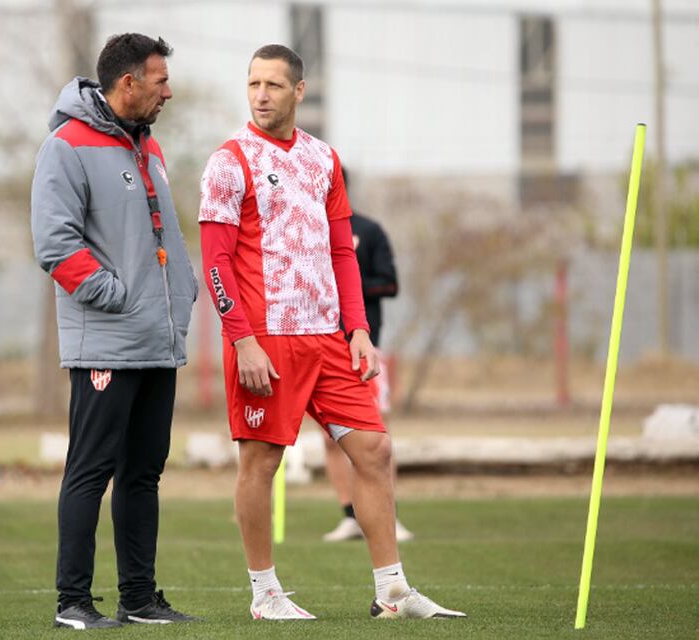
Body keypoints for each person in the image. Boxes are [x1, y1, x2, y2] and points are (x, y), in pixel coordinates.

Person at [198, 44, 465, 621]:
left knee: (374, 448)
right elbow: (215, 262)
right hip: (264, 341)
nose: (261, 95)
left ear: (299, 91)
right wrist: (241, 338)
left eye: (273, 85)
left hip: (330, 340)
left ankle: (391, 591)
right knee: (260, 465)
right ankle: (265, 594)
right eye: (252, 84)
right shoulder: (228, 160)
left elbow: (342, 251)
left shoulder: (324, 160)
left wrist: (359, 330)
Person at [31, 33, 199, 630]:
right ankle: (72, 603)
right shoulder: (66, 145)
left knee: (142, 475)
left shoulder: (146, 148)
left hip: (157, 342)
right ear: (127, 83)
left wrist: (182, 292)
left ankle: (139, 598)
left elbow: (162, 240)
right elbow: (55, 245)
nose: (168, 91)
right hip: (107, 340)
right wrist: (117, 298)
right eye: (160, 81)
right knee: (90, 472)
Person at [321, 169, 413, 544]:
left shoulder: (368, 231)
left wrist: (347, 280)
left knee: (376, 436)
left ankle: (389, 515)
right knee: (330, 440)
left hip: (363, 347)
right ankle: (349, 515)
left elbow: (390, 283)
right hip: (318, 347)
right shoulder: (300, 231)